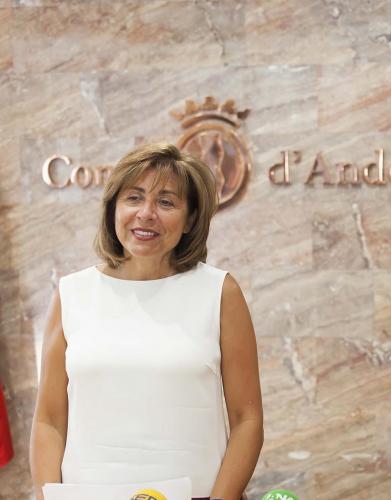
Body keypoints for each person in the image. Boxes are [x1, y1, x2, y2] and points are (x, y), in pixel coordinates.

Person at [30, 143, 263, 500]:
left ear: (190, 220)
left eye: (166, 202)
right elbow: (49, 420)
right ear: (113, 208)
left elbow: (247, 420)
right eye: (134, 198)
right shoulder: (72, 293)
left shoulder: (220, 292)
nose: (146, 214)